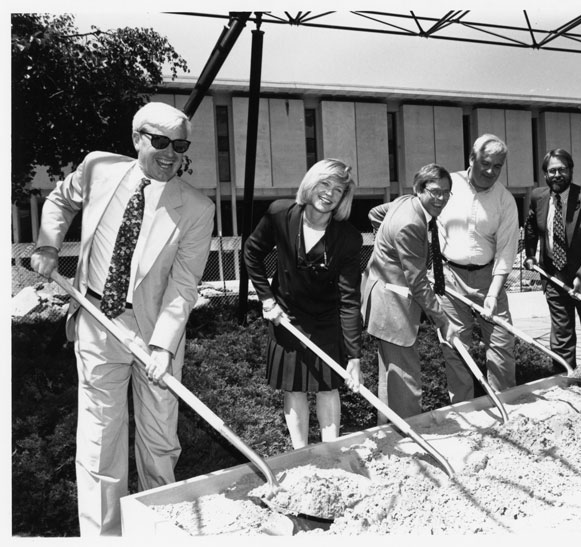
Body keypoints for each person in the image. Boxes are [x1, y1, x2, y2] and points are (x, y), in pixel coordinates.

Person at [29, 102, 215, 536]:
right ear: (137, 139)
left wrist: (163, 345)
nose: (171, 154)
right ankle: (104, 536)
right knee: (99, 442)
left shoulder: (197, 208)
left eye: (181, 145)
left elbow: (185, 284)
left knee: (159, 442)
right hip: (96, 319)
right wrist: (48, 245)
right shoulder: (99, 168)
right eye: (161, 142)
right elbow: (60, 200)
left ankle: (159, 528)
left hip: (154, 330)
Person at [243, 159, 362, 449]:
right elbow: (251, 253)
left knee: (328, 386)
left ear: (343, 197)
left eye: (338, 189)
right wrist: (267, 299)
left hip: (326, 319)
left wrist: (354, 357)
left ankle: (331, 451)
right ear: (311, 183)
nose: (329, 193)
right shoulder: (280, 214)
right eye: (324, 184)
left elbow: (349, 300)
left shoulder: (348, 238)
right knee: (294, 385)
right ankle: (301, 453)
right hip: (286, 314)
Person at [362, 164, 460, 423]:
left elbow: (374, 214)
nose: (441, 199)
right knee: (405, 378)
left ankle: (389, 432)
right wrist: (444, 322)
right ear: (420, 189)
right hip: (392, 303)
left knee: (391, 374)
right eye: (435, 192)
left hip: (381, 292)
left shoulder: (404, 202)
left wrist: (388, 248)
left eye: (446, 193)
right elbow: (418, 283)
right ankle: (411, 433)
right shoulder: (411, 224)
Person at [435, 134, 519, 404]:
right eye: (485, 163)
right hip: (450, 277)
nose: (490, 171)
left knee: (502, 342)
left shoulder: (505, 200)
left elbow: (506, 250)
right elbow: (425, 221)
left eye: (497, 166)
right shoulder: (447, 186)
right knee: (455, 346)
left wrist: (493, 294)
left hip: (488, 277)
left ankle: (505, 403)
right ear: (471, 159)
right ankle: (463, 408)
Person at [523, 148, 581, 369]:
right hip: (555, 278)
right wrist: (530, 254)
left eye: (562, 169)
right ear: (545, 174)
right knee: (561, 338)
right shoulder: (538, 197)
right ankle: (564, 382)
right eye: (552, 170)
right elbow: (532, 227)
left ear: (571, 171)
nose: (556, 175)